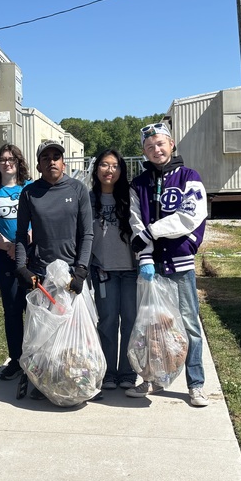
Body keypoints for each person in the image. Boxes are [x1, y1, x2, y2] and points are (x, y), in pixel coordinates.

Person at [127, 122, 210, 407]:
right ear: (144, 152)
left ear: (172, 144)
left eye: (160, 144)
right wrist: (146, 255)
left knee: (189, 325)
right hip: (152, 266)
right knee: (152, 326)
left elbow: (190, 216)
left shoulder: (189, 177)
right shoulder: (138, 184)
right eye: (149, 147)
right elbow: (136, 221)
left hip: (181, 264)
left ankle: (195, 384)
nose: (156, 150)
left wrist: (153, 231)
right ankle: (152, 378)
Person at [14, 140, 93, 400]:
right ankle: (45, 382)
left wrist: (81, 270)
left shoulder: (78, 189)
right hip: (43, 275)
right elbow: (21, 234)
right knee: (44, 335)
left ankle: (76, 380)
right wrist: (22, 267)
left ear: (63, 161)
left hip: (71, 275)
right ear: (38, 164)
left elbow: (87, 234)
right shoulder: (30, 193)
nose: (51, 161)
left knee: (74, 334)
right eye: (45, 157)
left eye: (56, 156)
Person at [89, 149, 138, 391]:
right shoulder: (87, 199)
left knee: (130, 320)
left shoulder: (130, 197)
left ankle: (127, 372)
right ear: (96, 168)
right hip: (103, 271)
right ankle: (108, 372)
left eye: (115, 166)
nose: (110, 170)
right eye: (105, 165)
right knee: (107, 321)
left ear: (121, 170)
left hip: (130, 271)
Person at [0, 144, 34, 381]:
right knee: (12, 310)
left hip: (31, 256)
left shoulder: (30, 188)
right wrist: (7, 245)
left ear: (19, 162)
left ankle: (35, 358)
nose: (7, 163)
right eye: (3, 159)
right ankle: (16, 359)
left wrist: (23, 244)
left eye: (11, 158)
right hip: (5, 257)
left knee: (34, 309)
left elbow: (37, 220)